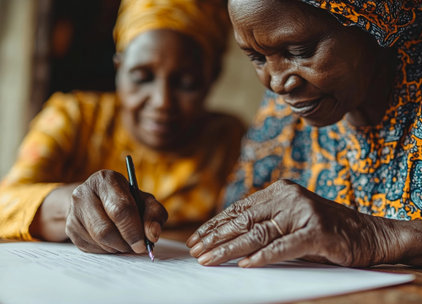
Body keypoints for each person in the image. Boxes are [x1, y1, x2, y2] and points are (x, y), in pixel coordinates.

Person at [187, 0, 422, 269]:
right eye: (257, 58)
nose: (277, 83)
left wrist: (379, 236)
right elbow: (238, 223)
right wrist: (148, 218)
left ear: (371, 19)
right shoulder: (286, 109)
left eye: (300, 51)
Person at [0, 0, 246, 254]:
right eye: (142, 77)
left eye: (186, 83)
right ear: (119, 68)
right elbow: (5, 204)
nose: (162, 102)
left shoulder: (228, 141)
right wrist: (69, 206)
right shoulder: (74, 117)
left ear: (212, 76)